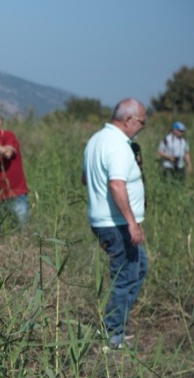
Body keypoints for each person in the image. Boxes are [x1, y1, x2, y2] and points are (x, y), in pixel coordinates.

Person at [82, 98, 149, 350]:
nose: (142, 127)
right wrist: (132, 223)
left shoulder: (95, 140)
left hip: (105, 220)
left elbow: (84, 178)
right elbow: (116, 184)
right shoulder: (118, 146)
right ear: (128, 120)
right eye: (142, 122)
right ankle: (112, 334)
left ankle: (116, 325)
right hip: (116, 222)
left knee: (139, 266)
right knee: (125, 275)